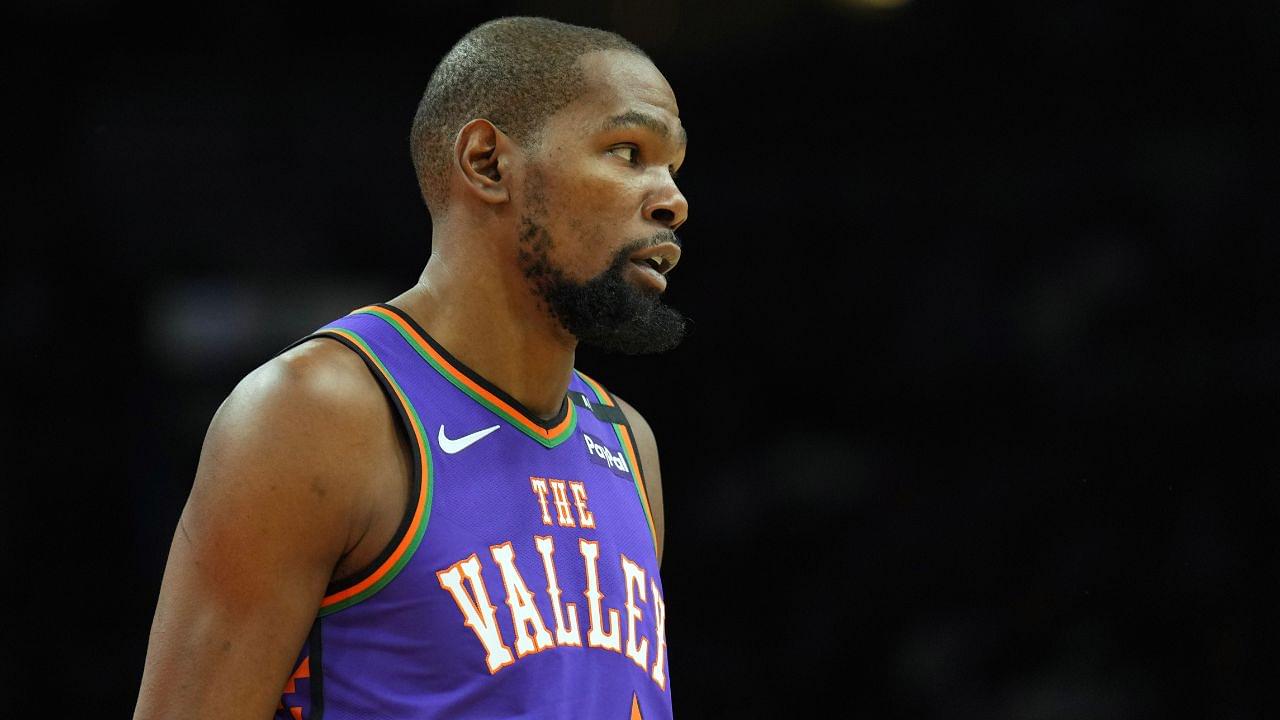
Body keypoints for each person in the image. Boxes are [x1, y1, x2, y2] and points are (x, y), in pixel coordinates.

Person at [133, 16, 688, 720]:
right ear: (488, 162)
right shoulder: (320, 413)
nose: (672, 198)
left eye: (673, 166)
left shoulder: (624, 442)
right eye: (627, 151)